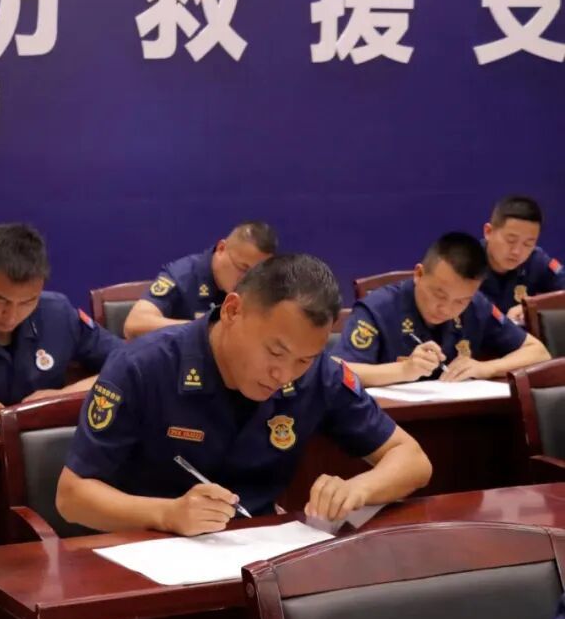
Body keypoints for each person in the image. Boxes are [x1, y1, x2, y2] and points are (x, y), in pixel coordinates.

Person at [55, 254, 432, 535]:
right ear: (233, 311)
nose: (283, 374)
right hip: (145, 550)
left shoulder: (319, 376)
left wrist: (357, 488)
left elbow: (413, 459)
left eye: (303, 360)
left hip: (257, 555)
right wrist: (166, 514)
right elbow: (72, 497)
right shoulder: (143, 366)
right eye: (275, 352)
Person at [0, 223, 122, 425]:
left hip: (42, 440)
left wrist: (62, 397)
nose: (11, 316)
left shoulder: (58, 315)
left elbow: (129, 365)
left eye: (27, 302)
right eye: (0, 299)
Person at [335, 232, 550, 387]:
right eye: (439, 295)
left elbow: (539, 352)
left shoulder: (476, 306)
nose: (446, 309)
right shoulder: (378, 307)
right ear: (419, 274)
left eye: (460, 301)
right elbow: (336, 370)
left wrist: (486, 368)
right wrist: (402, 370)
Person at [123, 221, 278, 340]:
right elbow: (134, 325)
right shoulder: (182, 275)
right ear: (221, 248)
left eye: (255, 273)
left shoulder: (259, 285)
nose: (247, 280)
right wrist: (205, 328)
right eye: (242, 268)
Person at [480, 195, 564, 324]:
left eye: (528, 244)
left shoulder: (536, 261)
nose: (517, 251)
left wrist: (533, 307)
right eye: (511, 240)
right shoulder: (464, 264)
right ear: (488, 232)